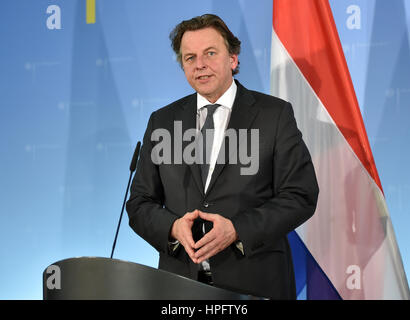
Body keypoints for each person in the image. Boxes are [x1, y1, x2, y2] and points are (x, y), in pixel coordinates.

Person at [126, 14, 319, 299]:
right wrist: (173, 228)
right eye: (189, 57)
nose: (200, 64)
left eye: (210, 53)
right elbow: (140, 203)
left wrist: (237, 230)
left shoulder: (273, 115)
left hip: (255, 281)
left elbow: (300, 195)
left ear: (233, 59)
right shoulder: (162, 122)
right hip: (180, 286)